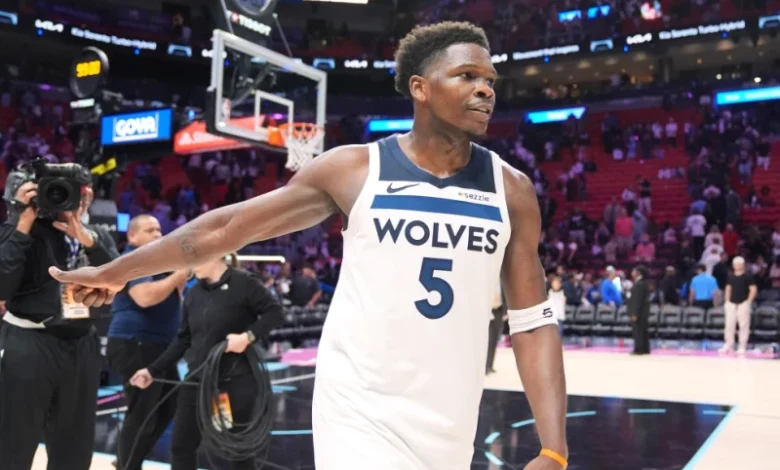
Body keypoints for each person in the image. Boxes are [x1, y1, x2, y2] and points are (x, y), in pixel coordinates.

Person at [50, 21, 569, 470]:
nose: (485, 90)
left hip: (450, 414)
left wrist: (554, 447)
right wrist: (116, 271)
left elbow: (531, 321)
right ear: (420, 88)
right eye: (467, 76)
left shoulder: (512, 190)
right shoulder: (356, 169)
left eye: (489, 80)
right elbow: (224, 229)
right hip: (358, 405)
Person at [0, 176, 120, 470]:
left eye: (75, 192)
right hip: (29, 340)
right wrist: (24, 220)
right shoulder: (16, 231)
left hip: (82, 342)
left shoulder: (96, 235)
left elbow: (118, 279)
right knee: (14, 439)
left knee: (75, 445)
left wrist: (86, 239)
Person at [129, 255, 283, 470]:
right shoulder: (193, 294)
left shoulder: (244, 283)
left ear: (216, 254)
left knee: (239, 451)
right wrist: (152, 370)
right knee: (181, 446)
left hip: (235, 379)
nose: (190, 265)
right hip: (198, 379)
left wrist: (247, 337)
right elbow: (183, 339)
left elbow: (275, 312)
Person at [105, 215, 191, 470]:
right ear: (132, 236)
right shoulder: (135, 259)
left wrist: (177, 280)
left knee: (167, 407)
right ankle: (128, 465)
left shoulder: (158, 262)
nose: (157, 234)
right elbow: (143, 297)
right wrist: (177, 277)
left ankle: (126, 460)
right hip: (137, 342)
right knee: (142, 412)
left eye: (159, 229)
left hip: (159, 346)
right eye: (150, 230)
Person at [720, 256, 758, 355]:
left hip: (743, 303)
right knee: (729, 325)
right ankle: (728, 345)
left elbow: (753, 289)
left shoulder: (748, 277)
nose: (736, 266)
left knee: (743, 325)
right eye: (735, 264)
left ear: (742, 265)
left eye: (738, 264)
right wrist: (727, 301)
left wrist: (748, 301)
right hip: (731, 304)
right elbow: (728, 289)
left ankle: (742, 346)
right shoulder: (731, 277)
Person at [628, 266, 651, 355]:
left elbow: (637, 300)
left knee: (638, 331)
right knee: (643, 330)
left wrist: (635, 313)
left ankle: (638, 349)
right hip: (644, 311)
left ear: (638, 273)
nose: (632, 273)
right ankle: (645, 348)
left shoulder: (639, 284)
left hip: (639, 312)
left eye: (633, 271)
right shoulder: (645, 283)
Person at [486, 283, 506, 374]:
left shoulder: (502, 282)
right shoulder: (487, 282)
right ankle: (485, 366)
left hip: (498, 311)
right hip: (488, 311)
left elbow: (505, 296)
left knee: (494, 340)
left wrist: (505, 311)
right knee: (488, 340)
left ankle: (490, 365)